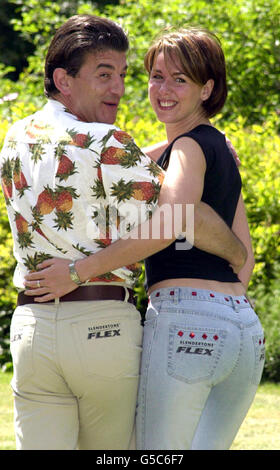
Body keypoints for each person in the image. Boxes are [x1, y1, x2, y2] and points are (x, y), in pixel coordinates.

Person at [0, 15, 247, 450]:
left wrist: (169, 148)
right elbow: (181, 217)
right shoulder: (110, 148)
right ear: (64, 79)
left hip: (30, 328)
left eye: (122, 75)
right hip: (102, 328)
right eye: (104, 75)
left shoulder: (15, 138)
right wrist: (236, 250)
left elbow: (89, 157)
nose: (118, 88)